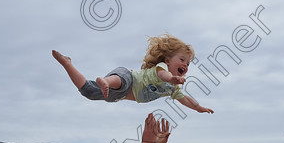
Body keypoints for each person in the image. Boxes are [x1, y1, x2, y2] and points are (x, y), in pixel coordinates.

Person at [52, 34, 215, 114]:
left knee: (88, 91)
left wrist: (199, 108)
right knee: (123, 80)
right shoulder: (161, 68)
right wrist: (173, 78)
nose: (185, 65)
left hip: (121, 95)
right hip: (129, 77)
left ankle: (67, 63)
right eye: (182, 59)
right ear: (167, 59)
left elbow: (185, 99)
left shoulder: (173, 89)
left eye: (188, 63)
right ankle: (106, 81)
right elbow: (163, 76)